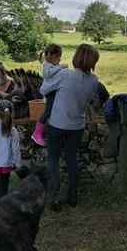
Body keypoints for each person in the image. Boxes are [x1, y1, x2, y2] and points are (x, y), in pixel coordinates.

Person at [40, 43, 101, 211]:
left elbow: (43, 90)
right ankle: (72, 196)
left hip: (57, 123)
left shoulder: (66, 75)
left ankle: (53, 194)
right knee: (72, 159)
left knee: (53, 159)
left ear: (76, 58)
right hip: (77, 125)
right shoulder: (94, 80)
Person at [32, 44, 66, 146]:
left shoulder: (52, 65)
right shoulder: (47, 65)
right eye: (57, 57)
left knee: (53, 112)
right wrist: (61, 67)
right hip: (50, 92)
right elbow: (48, 74)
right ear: (50, 56)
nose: (59, 59)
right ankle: (37, 133)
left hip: (54, 92)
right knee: (47, 112)